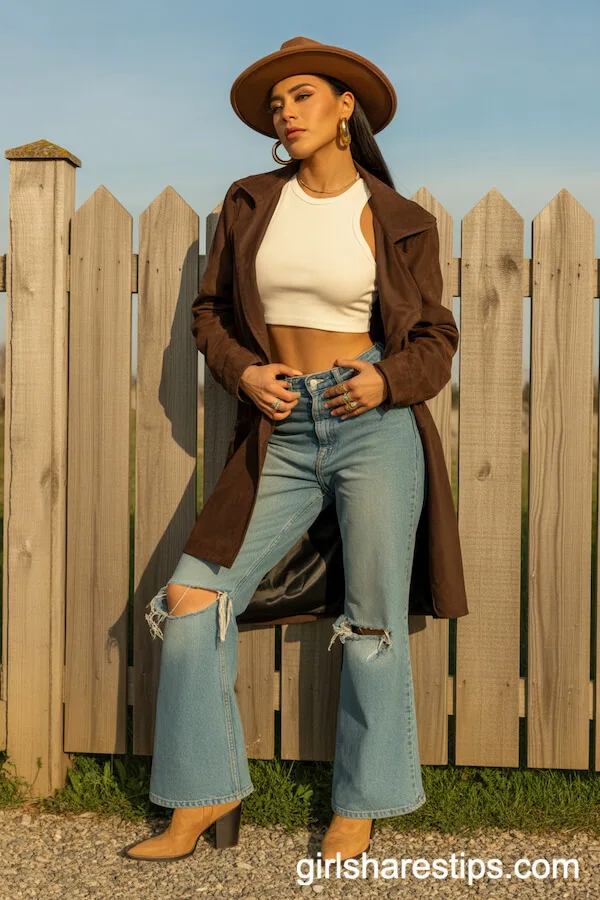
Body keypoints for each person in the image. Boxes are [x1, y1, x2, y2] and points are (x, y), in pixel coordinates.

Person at [123, 36, 460, 865]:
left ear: (347, 107)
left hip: (372, 423)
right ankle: (206, 791)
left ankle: (363, 801)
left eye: (301, 95)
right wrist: (245, 373)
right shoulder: (248, 202)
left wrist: (389, 382)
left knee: (372, 619)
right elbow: (209, 316)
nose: (285, 110)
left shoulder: (399, 220)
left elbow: (437, 339)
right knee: (193, 598)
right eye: (277, 102)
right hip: (281, 425)